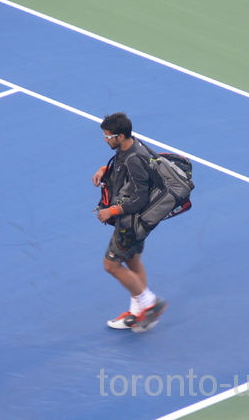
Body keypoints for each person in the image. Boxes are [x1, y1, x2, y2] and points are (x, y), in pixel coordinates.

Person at [92, 112, 168, 333]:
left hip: (131, 222)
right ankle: (138, 312)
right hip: (138, 221)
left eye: (109, 137)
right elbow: (123, 168)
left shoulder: (134, 158)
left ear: (122, 136)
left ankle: (151, 303)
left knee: (112, 265)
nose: (106, 140)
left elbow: (139, 197)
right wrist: (105, 170)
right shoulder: (129, 148)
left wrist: (111, 210)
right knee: (133, 263)